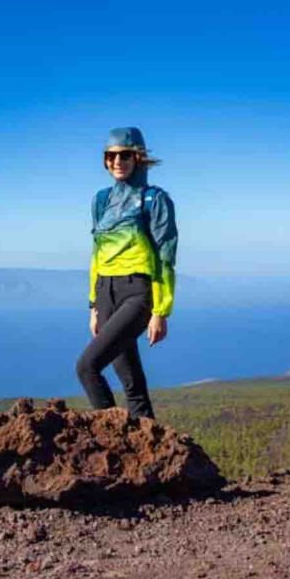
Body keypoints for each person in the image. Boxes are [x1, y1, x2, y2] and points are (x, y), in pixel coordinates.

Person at [76, 127, 178, 419]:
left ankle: (110, 435)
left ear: (138, 157)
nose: (116, 161)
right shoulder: (101, 200)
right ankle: (146, 448)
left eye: (124, 155)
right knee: (131, 382)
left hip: (137, 292)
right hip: (105, 292)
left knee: (87, 367)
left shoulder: (154, 200)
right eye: (110, 156)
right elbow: (96, 254)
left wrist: (161, 311)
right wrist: (94, 305)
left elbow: (165, 257)